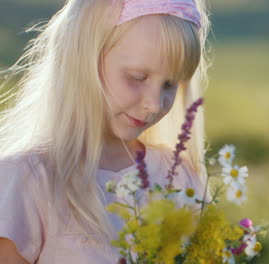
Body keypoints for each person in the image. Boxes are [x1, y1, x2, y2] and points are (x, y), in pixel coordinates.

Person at [0, 0, 211, 263]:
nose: (155, 104)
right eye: (137, 77)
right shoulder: (29, 178)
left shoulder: (178, 176)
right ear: (83, 59)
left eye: (170, 84)